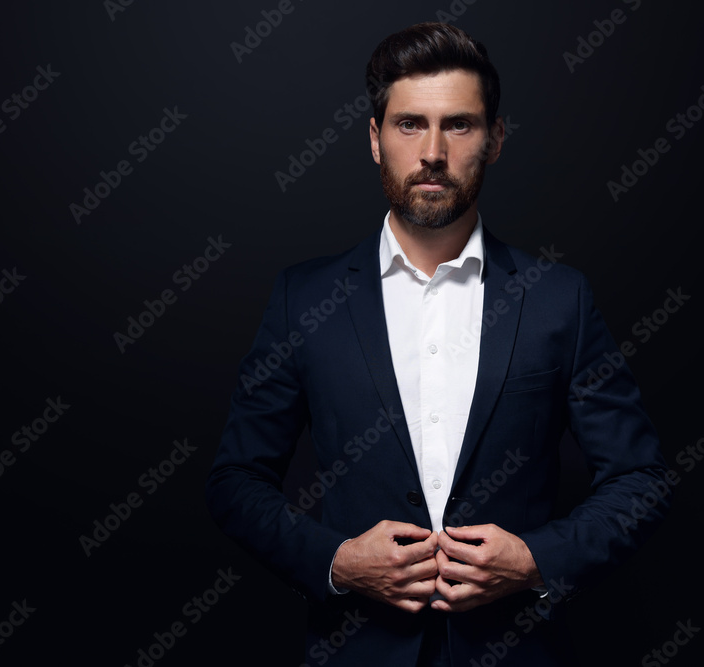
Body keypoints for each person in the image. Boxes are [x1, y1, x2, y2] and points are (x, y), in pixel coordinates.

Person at [206, 22, 671, 666]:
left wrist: (537, 560)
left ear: (496, 138)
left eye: (458, 124)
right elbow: (235, 480)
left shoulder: (558, 298)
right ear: (374, 140)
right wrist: (336, 561)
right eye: (408, 125)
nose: (432, 151)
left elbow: (640, 478)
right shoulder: (303, 300)